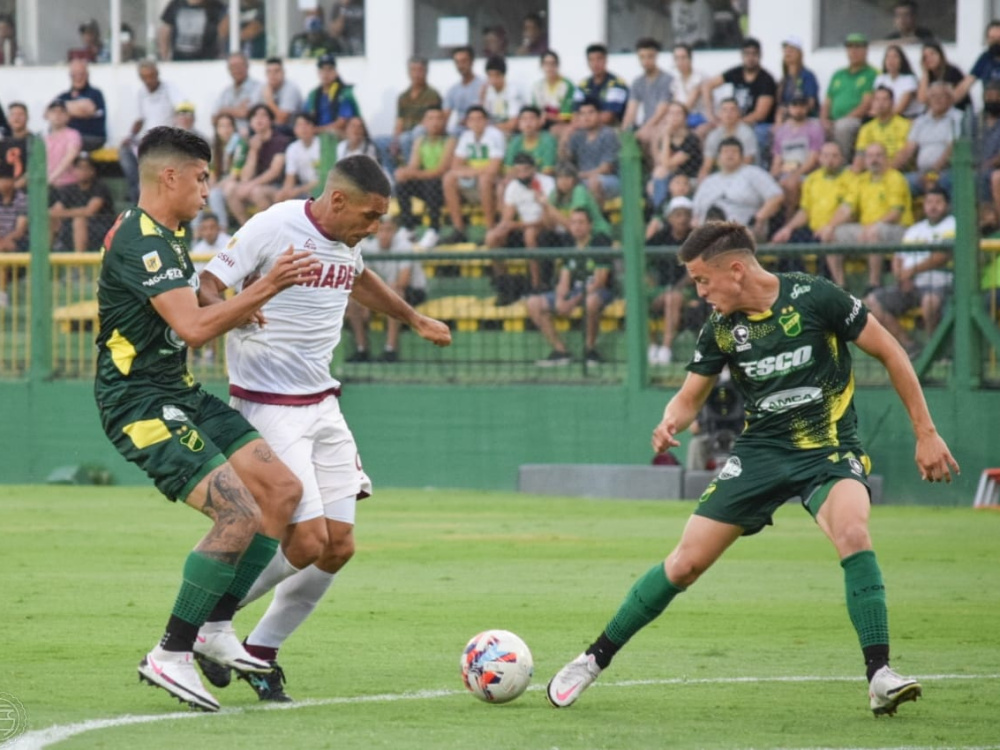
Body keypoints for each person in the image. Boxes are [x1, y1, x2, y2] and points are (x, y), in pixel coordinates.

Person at [546, 220, 960, 716]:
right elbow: (690, 397)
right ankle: (592, 660)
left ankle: (879, 675)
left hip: (828, 448)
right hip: (760, 453)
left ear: (737, 270)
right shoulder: (721, 328)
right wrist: (670, 420)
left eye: (703, 280)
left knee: (853, 532)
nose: (700, 292)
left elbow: (891, 351)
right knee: (684, 564)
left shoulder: (816, 296)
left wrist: (926, 432)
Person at [195, 156, 451, 700]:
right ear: (337, 200)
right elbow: (207, 285)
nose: (374, 227)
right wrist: (238, 308)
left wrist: (413, 318)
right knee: (308, 540)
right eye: (370, 215)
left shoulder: (346, 240)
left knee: (338, 547)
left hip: (322, 404)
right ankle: (207, 624)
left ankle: (260, 652)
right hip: (268, 404)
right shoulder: (274, 225)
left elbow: (358, 277)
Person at [95, 125, 321, 712]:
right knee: (237, 511)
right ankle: (170, 652)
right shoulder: (140, 242)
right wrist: (266, 288)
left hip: (180, 392)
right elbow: (192, 329)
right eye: (200, 178)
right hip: (138, 402)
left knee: (281, 492)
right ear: (169, 176)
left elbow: (193, 305)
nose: (206, 189)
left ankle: (215, 627)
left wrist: (228, 305)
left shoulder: (167, 234)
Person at [864, 186, 953, 358]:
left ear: (947, 205)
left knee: (930, 302)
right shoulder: (915, 229)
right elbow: (898, 257)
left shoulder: (953, 225)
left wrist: (911, 271)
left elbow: (942, 256)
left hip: (939, 284)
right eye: (929, 202)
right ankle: (909, 346)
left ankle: (934, 349)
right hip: (910, 284)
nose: (933, 206)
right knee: (871, 302)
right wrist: (901, 277)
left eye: (938, 202)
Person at [526, 208, 615, 366]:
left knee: (591, 302)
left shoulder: (599, 242)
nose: (577, 226)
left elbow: (599, 281)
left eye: (581, 222)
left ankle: (590, 350)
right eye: (573, 222)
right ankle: (561, 352)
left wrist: (572, 302)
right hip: (575, 292)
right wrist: (560, 299)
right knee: (533, 303)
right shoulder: (569, 243)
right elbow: (564, 279)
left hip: (598, 291)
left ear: (590, 225)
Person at [826, 142, 914, 289]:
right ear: (865, 160)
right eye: (870, 156)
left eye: (879, 155)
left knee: (874, 233)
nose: (874, 160)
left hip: (898, 230)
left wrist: (872, 227)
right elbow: (846, 208)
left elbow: (895, 214)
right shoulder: (861, 180)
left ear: (886, 158)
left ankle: (874, 283)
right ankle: (840, 285)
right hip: (867, 229)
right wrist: (830, 226)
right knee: (832, 235)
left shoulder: (895, 178)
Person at [345, 214, 432, 363]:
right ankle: (361, 348)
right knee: (354, 301)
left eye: (389, 230)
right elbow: (363, 281)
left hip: (412, 291)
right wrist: (365, 303)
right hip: (382, 291)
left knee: (394, 293)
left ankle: (390, 349)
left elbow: (403, 281)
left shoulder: (404, 246)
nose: (385, 234)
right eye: (382, 230)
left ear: (395, 231)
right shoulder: (369, 248)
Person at [487, 152, 556, 300]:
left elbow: (549, 220)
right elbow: (507, 218)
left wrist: (517, 225)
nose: (522, 175)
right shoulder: (513, 187)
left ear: (533, 169)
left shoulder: (547, 183)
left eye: (526, 170)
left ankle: (536, 285)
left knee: (530, 234)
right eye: (518, 171)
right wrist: (502, 228)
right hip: (523, 227)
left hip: (546, 229)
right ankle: (502, 283)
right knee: (492, 237)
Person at [692, 137, 783, 241]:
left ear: (742, 156)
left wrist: (759, 217)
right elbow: (695, 215)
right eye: (726, 152)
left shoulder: (753, 173)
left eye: (734, 152)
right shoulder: (708, 181)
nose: (730, 155)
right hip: (709, 235)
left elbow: (776, 196)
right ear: (718, 158)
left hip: (743, 232)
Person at [646, 195, 701, 366]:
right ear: (669, 218)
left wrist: (677, 287)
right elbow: (643, 261)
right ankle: (652, 345)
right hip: (660, 289)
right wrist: (650, 282)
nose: (682, 219)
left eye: (686, 215)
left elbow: (695, 273)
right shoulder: (659, 237)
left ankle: (666, 349)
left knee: (673, 298)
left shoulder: (696, 239)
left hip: (686, 290)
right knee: (637, 299)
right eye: (678, 215)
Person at [440, 105, 505, 243]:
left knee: (484, 179)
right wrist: (470, 172)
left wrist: (469, 171)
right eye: (472, 119)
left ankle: (490, 228)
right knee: (448, 178)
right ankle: (459, 229)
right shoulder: (466, 136)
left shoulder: (495, 135)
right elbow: (455, 165)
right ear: (467, 122)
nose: (476, 122)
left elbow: (494, 168)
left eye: (479, 119)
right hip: (473, 178)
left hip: (493, 180)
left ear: (486, 121)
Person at [772, 141, 857, 245]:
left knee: (830, 236)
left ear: (842, 159)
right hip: (813, 230)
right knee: (785, 238)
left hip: (836, 229)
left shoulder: (852, 179)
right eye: (826, 156)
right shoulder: (812, 179)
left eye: (834, 156)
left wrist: (830, 226)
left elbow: (847, 210)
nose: (830, 160)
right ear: (820, 158)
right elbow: (805, 211)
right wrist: (788, 228)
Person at [704, 38, 777, 157]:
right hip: (733, 119)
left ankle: (755, 165)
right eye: (747, 54)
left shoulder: (766, 79)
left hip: (758, 124)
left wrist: (734, 123)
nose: (750, 58)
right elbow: (707, 85)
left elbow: (760, 114)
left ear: (760, 56)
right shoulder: (736, 72)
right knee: (704, 130)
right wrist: (711, 115)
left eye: (754, 54)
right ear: (742, 55)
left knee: (757, 134)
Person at [121, 61, 181, 204]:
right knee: (124, 150)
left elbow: (181, 110)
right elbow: (140, 119)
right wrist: (130, 136)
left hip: (167, 139)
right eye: (145, 77)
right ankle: (136, 189)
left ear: (157, 74)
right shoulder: (141, 93)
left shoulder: (169, 89)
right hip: (148, 140)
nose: (149, 80)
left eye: (151, 76)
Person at [394, 106, 453, 249]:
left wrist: (412, 173)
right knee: (401, 185)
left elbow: (440, 171)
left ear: (444, 121)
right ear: (424, 122)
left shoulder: (450, 141)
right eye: (431, 119)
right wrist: (404, 172)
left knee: (432, 183)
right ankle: (408, 228)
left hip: (444, 188)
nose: (435, 122)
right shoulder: (420, 141)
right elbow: (414, 166)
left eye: (439, 118)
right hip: (426, 184)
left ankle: (434, 229)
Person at [224, 104, 291, 226]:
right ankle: (245, 228)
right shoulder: (249, 141)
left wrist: (250, 185)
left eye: (263, 115)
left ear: (271, 121)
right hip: (256, 184)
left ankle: (268, 228)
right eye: (254, 116)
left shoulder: (280, 140)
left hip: (277, 185)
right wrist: (253, 152)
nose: (259, 119)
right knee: (230, 189)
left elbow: (274, 172)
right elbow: (245, 177)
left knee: (256, 192)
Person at [895, 83, 962, 196]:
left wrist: (932, 173)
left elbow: (951, 149)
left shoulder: (957, 118)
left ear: (950, 99)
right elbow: (908, 150)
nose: (937, 100)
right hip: (921, 173)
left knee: (941, 182)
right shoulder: (921, 121)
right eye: (933, 96)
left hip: (946, 171)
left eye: (941, 96)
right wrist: (889, 171)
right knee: (897, 182)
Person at [821, 33, 878, 163]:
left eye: (858, 47)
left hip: (856, 120)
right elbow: (827, 101)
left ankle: (842, 164)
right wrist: (824, 120)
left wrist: (842, 120)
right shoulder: (838, 74)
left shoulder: (872, 73)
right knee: (815, 127)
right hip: (833, 120)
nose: (853, 51)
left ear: (866, 50)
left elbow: (866, 104)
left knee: (843, 126)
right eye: (850, 47)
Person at [769, 95, 824, 218]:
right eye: (795, 106)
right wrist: (771, 176)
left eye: (802, 106)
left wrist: (796, 174)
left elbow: (813, 158)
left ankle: (789, 219)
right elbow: (777, 159)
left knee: (791, 184)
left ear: (807, 108)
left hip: (806, 173)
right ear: (789, 108)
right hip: (785, 171)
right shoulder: (781, 131)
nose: (798, 110)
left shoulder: (814, 128)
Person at [50, 153, 116, 252]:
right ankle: (46, 254)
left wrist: (65, 213)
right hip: (69, 225)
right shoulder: (69, 189)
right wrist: (57, 213)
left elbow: (89, 211)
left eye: (86, 168)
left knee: (79, 220)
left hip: (100, 226)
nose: (82, 171)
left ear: (93, 171)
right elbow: (56, 210)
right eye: (79, 168)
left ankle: (79, 259)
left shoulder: (99, 187)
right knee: (50, 218)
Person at [562, 98, 621, 204]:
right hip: (582, 179)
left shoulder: (608, 134)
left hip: (608, 179)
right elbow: (565, 159)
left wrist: (581, 175)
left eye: (591, 113)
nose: (586, 117)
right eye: (582, 114)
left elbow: (606, 168)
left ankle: (596, 215)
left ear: (599, 114)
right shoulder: (577, 135)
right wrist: (565, 137)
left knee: (594, 182)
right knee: (563, 182)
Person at [387, 56, 442, 167]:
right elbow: (399, 121)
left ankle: (412, 169)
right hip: (406, 131)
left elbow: (434, 118)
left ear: (426, 72)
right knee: (381, 142)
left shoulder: (432, 94)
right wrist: (395, 139)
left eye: (420, 70)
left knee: (411, 135)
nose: (416, 74)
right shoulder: (403, 97)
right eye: (413, 70)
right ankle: (391, 174)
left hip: (423, 131)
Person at [649, 101, 702, 212]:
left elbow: (667, 164)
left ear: (685, 118)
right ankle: (660, 211)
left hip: (690, 177)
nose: (674, 117)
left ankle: (659, 212)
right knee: (657, 176)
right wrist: (662, 138)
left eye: (678, 113)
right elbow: (659, 162)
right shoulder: (666, 139)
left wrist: (666, 136)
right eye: (671, 113)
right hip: (671, 176)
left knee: (662, 174)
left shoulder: (691, 139)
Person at [622, 38, 673, 148]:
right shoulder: (637, 82)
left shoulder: (667, 79)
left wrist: (645, 128)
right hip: (646, 124)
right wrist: (624, 131)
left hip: (664, 123)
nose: (645, 61)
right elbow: (631, 111)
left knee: (646, 136)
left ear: (656, 56)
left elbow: (662, 111)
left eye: (650, 56)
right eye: (642, 57)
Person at [853, 87, 912, 173]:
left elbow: (902, 156)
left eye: (885, 99)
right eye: (877, 100)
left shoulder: (905, 125)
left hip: (897, 172)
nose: (880, 103)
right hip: (872, 170)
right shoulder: (866, 128)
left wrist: (884, 172)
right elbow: (860, 155)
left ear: (892, 103)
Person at [304, 53, 361, 139]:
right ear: (318, 73)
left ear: (336, 72)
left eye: (329, 70)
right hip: (316, 137)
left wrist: (318, 130)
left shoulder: (343, 93)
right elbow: (306, 117)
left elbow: (342, 122)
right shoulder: (313, 95)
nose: (326, 73)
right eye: (323, 70)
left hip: (338, 137)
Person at [572, 44, 629, 128]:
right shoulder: (583, 85)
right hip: (586, 128)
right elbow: (575, 115)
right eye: (591, 60)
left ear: (606, 60)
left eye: (599, 59)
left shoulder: (616, 84)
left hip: (611, 128)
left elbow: (608, 118)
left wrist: (584, 120)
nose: (595, 64)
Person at [699, 98, 757, 181]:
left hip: (744, 173)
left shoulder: (746, 133)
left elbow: (747, 161)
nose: (728, 113)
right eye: (724, 110)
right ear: (719, 114)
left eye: (733, 110)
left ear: (738, 113)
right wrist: (703, 176)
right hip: (720, 172)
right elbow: (707, 164)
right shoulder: (714, 135)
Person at [56, 58, 107, 151]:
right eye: (74, 75)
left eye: (81, 74)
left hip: (92, 137)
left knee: (70, 141)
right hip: (69, 138)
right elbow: (50, 112)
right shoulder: (64, 96)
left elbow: (88, 109)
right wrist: (78, 109)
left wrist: (64, 110)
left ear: (87, 75)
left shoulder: (95, 94)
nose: (78, 77)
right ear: (70, 76)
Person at [207, 112, 247, 227]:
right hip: (221, 183)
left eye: (229, 125)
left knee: (214, 194)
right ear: (217, 129)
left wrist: (215, 186)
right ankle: (197, 230)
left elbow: (234, 175)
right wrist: (211, 185)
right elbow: (212, 174)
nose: (226, 130)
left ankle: (222, 229)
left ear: (234, 128)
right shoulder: (214, 146)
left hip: (237, 182)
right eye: (222, 126)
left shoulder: (240, 144)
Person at [158, 0, 228, 61]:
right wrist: (164, 57)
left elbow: (222, 34)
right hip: (179, 62)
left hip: (206, 62)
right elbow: (165, 30)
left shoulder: (216, 6)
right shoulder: (175, 5)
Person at [213, 52, 264, 135]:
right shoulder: (225, 92)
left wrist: (224, 110)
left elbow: (247, 113)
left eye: (239, 66)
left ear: (247, 66)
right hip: (228, 137)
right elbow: (214, 119)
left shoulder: (259, 88)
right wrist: (235, 110)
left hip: (251, 136)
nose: (236, 70)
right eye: (232, 67)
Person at [953, 20, 1000, 106]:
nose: (996, 42)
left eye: (999, 38)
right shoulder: (985, 58)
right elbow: (965, 85)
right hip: (991, 109)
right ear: (987, 40)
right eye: (992, 38)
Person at [503, 106, 558, 177]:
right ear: (519, 123)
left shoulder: (548, 140)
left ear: (540, 121)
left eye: (532, 118)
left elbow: (548, 171)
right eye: (524, 119)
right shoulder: (515, 141)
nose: (528, 123)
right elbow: (509, 169)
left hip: (541, 179)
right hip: (518, 179)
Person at [531, 50, 576, 137]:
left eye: (553, 64)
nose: (550, 67)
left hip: (561, 123)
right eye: (546, 64)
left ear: (558, 66)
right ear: (541, 66)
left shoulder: (567, 85)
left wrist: (547, 116)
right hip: (541, 123)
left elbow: (567, 116)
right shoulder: (537, 86)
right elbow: (534, 111)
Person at [775, 36, 819, 123]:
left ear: (799, 54)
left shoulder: (807, 76)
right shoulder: (784, 79)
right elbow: (779, 104)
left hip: (805, 119)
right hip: (785, 119)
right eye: (786, 50)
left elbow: (811, 103)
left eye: (791, 50)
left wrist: (791, 111)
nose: (788, 53)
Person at [443, 46, 485, 136]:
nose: (460, 66)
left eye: (464, 61)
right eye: (457, 62)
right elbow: (445, 116)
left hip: (479, 129)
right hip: (459, 130)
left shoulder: (483, 85)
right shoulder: (453, 90)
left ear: (472, 62)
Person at [918, 42, 970, 113]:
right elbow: (922, 99)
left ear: (940, 55)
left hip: (958, 111)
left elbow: (948, 99)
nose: (929, 58)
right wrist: (925, 72)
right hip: (938, 113)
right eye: (925, 57)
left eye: (932, 54)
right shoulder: (928, 76)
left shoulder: (952, 72)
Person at [481, 56, 526, 136]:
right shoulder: (487, 91)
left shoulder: (513, 91)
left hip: (513, 133)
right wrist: (482, 97)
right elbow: (483, 118)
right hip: (494, 130)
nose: (493, 79)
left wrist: (491, 128)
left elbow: (513, 124)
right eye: (490, 76)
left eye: (496, 75)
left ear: (503, 75)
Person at [873, 45, 921, 119]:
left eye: (895, 57)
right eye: (888, 57)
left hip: (906, 117)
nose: (891, 60)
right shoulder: (880, 79)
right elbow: (875, 103)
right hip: (884, 117)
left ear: (901, 60)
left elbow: (900, 109)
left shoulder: (909, 79)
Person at [670, 43, 709, 133]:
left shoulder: (699, 77)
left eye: (683, 58)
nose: (680, 62)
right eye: (677, 58)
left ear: (690, 59)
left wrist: (673, 118)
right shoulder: (675, 81)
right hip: (682, 118)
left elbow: (687, 107)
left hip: (700, 118)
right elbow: (675, 104)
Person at [44, 100, 82, 190]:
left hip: (68, 185)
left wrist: (51, 178)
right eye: (54, 111)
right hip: (47, 186)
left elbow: (70, 157)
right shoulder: (44, 139)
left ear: (68, 116)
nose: (58, 115)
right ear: (47, 115)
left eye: (62, 112)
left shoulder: (73, 135)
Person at [261, 58, 304, 133]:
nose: (272, 75)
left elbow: (282, 120)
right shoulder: (265, 87)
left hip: (292, 130)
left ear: (283, 73)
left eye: (276, 71)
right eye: (269, 72)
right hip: (274, 128)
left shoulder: (291, 89)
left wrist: (269, 101)